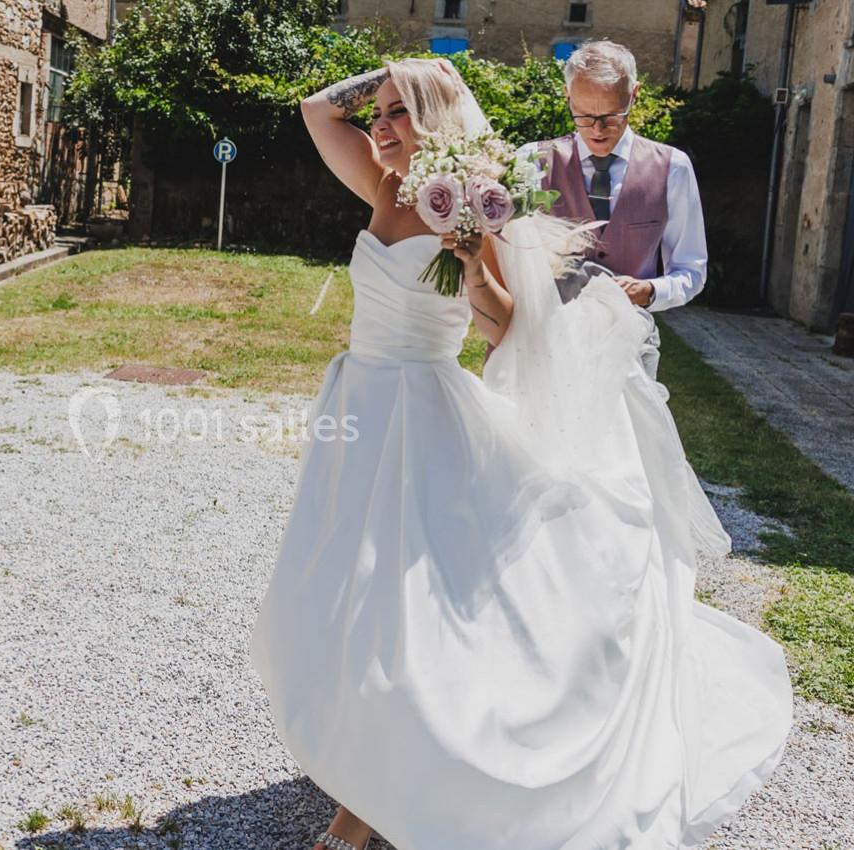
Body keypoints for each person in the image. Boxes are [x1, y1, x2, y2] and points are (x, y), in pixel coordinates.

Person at [250, 57, 792, 850]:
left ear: (434, 125)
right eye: (381, 113)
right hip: (358, 402)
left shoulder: (468, 204)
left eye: (400, 114)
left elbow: (509, 328)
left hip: (421, 411)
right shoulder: (386, 186)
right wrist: (396, 73)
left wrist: (472, 260)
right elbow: (314, 110)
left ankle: (362, 805)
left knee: (402, 602)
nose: (380, 126)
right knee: (341, 579)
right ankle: (361, 755)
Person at [523, 40, 708, 378]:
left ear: (633, 95)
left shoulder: (673, 169)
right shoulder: (532, 163)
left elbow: (692, 270)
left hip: (630, 353)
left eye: (610, 116)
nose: (596, 129)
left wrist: (651, 291)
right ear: (567, 96)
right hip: (548, 349)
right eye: (584, 115)